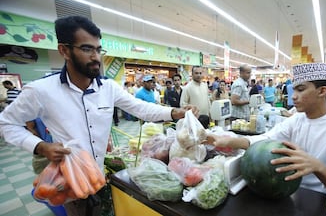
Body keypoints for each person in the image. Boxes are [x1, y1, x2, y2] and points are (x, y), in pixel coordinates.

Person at [0, 15, 197, 216]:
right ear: (64, 50)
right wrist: (40, 146)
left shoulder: (108, 87)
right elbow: (6, 123)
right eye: (87, 49)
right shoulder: (41, 90)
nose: (96, 57)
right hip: (71, 180)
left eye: (98, 49)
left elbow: (140, 108)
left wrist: (175, 112)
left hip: (100, 175)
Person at [206, 62, 326, 205]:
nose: (293, 96)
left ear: (322, 91)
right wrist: (226, 141)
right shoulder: (297, 120)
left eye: (301, 89)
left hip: (315, 202)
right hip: (286, 195)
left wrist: (318, 167)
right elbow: (265, 139)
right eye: (293, 89)